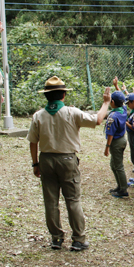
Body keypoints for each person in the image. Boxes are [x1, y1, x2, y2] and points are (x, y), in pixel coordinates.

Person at [27, 76, 111, 251]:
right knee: (72, 199)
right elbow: (97, 120)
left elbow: (33, 141)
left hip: (46, 159)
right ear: (64, 95)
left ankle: (56, 238)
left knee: (51, 201)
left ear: (46, 96)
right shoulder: (72, 112)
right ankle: (78, 239)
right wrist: (106, 103)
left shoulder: (38, 116)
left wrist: (35, 164)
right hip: (67, 160)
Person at [105, 91, 129, 198]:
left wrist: (107, 147)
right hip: (122, 140)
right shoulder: (123, 110)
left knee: (118, 166)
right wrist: (117, 87)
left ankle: (123, 189)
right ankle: (119, 186)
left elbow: (110, 134)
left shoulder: (113, 116)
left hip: (116, 142)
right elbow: (122, 102)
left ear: (113, 102)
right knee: (113, 165)